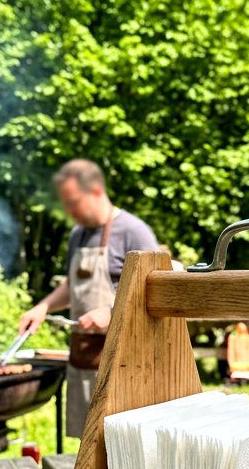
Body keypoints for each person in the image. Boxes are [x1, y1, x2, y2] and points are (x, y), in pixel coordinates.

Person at [18, 159, 159, 437]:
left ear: (95, 191)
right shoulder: (78, 235)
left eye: (73, 203)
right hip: (83, 359)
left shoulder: (134, 232)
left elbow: (154, 290)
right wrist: (43, 307)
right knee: (87, 444)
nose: (69, 212)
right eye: (66, 205)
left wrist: (110, 311)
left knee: (121, 446)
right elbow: (73, 286)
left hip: (124, 362)